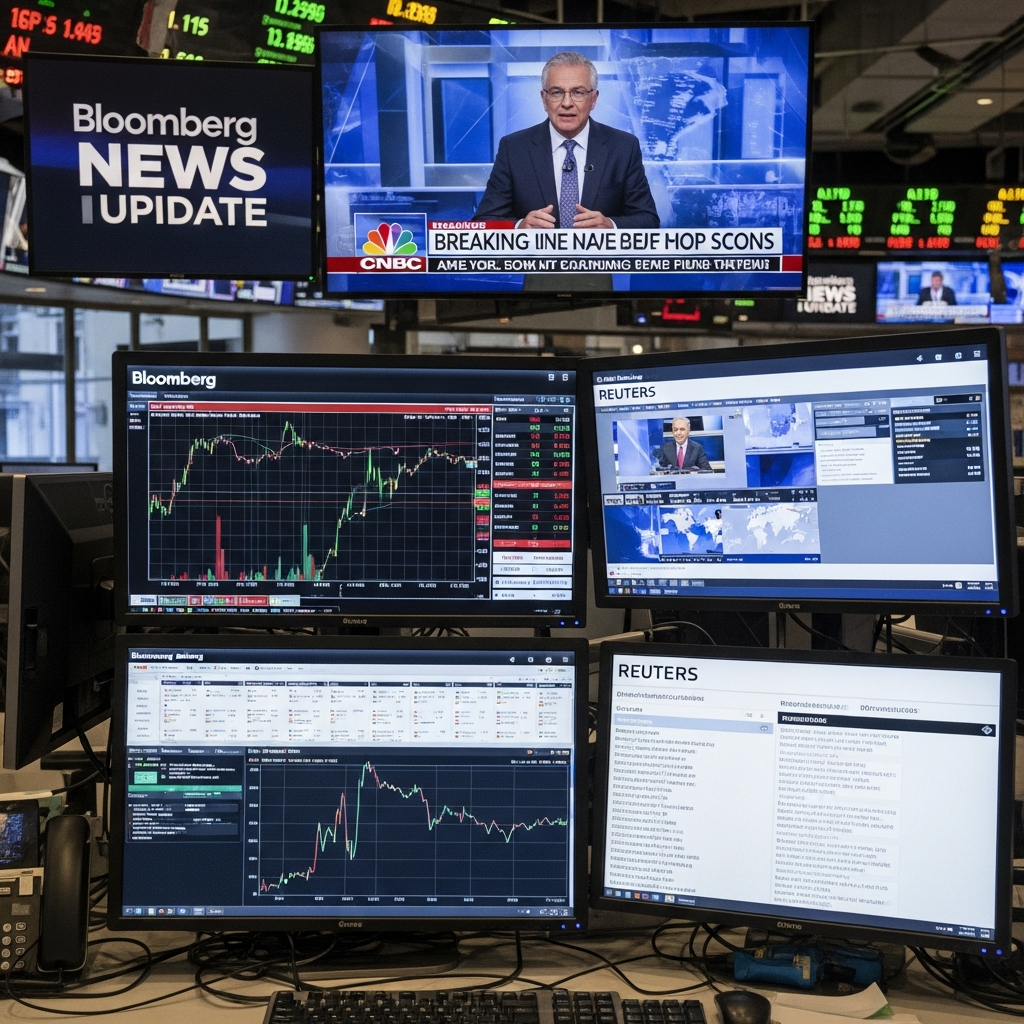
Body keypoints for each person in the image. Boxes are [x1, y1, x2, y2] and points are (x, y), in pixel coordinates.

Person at [473, 51, 659, 230]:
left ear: (593, 99)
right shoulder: (514, 149)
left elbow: (648, 220)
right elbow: (483, 222)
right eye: (556, 92)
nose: (567, 103)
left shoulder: (623, 148)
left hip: (600, 253)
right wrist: (518, 227)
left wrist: (610, 225)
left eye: (578, 92)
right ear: (544, 99)